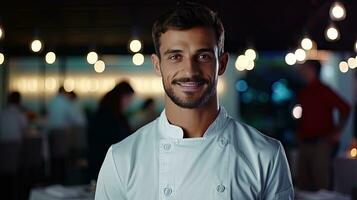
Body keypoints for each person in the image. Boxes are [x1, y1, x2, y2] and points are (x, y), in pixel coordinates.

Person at [95, 2, 294, 199]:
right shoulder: (121, 159)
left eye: (203, 56)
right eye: (175, 57)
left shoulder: (267, 155)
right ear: (157, 65)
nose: (190, 71)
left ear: (222, 64)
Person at [296, 60, 351, 191]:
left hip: (321, 142)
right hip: (304, 141)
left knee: (321, 181)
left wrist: (337, 131)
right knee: (303, 181)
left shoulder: (323, 90)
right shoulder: (304, 91)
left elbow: (345, 108)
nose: (302, 71)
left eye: (305, 68)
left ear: (312, 70)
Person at [87, 81, 134, 181]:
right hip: (106, 160)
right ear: (122, 96)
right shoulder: (112, 116)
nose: (129, 103)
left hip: (101, 158)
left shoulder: (105, 111)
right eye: (129, 99)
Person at [0, 91, 28, 200]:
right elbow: (24, 132)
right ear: (19, 101)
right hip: (15, 151)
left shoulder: (2, 113)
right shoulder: (20, 115)